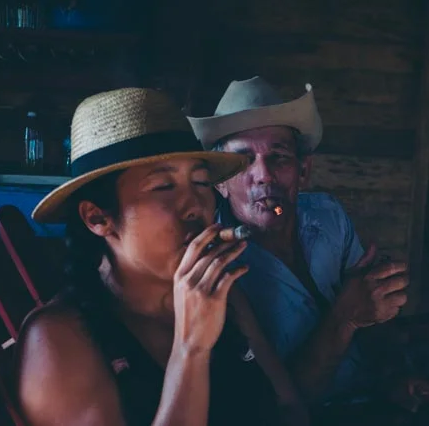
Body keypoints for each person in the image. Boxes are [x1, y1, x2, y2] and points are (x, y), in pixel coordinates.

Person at [187, 77, 429, 426]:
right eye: (243, 160)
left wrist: (396, 376)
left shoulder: (326, 215)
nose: (263, 175)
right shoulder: (218, 265)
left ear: (304, 170)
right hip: (321, 414)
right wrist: (345, 316)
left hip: (377, 386)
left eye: (279, 158)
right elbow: (282, 405)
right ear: (220, 181)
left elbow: (375, 324)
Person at [15, 87, 309, 426]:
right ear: (97, 218)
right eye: (163, 187)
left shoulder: (220, 296)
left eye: (201, 183)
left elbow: (291, 409)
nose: (195, 206)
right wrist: (191, 348)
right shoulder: (58, 340)